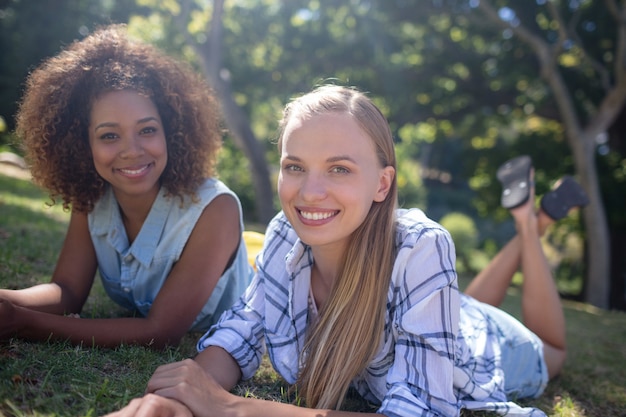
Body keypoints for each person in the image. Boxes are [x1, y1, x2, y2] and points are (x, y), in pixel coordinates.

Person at [108, 85, 582, 416]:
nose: (310, 192)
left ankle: (527, 222)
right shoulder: (284, 235)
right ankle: (529, 220)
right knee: (466, 301)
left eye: (339, 169)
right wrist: (181, 398)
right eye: (295, 166)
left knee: (553, 352)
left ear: (382, 183)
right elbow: (242, 334)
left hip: (488, 346)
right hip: (447, 312)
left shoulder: (422, 245)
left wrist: (230, 407)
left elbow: (418, 412)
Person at [0, 25, 253, 349]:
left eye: (147, 130)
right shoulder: (93, 195)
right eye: (109, 135)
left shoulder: (216, 208)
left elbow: (160, 331)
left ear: (172, 131)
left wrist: (24, 323)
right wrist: (7, 300)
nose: (132, 150)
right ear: (82, 143)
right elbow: (67, 291)